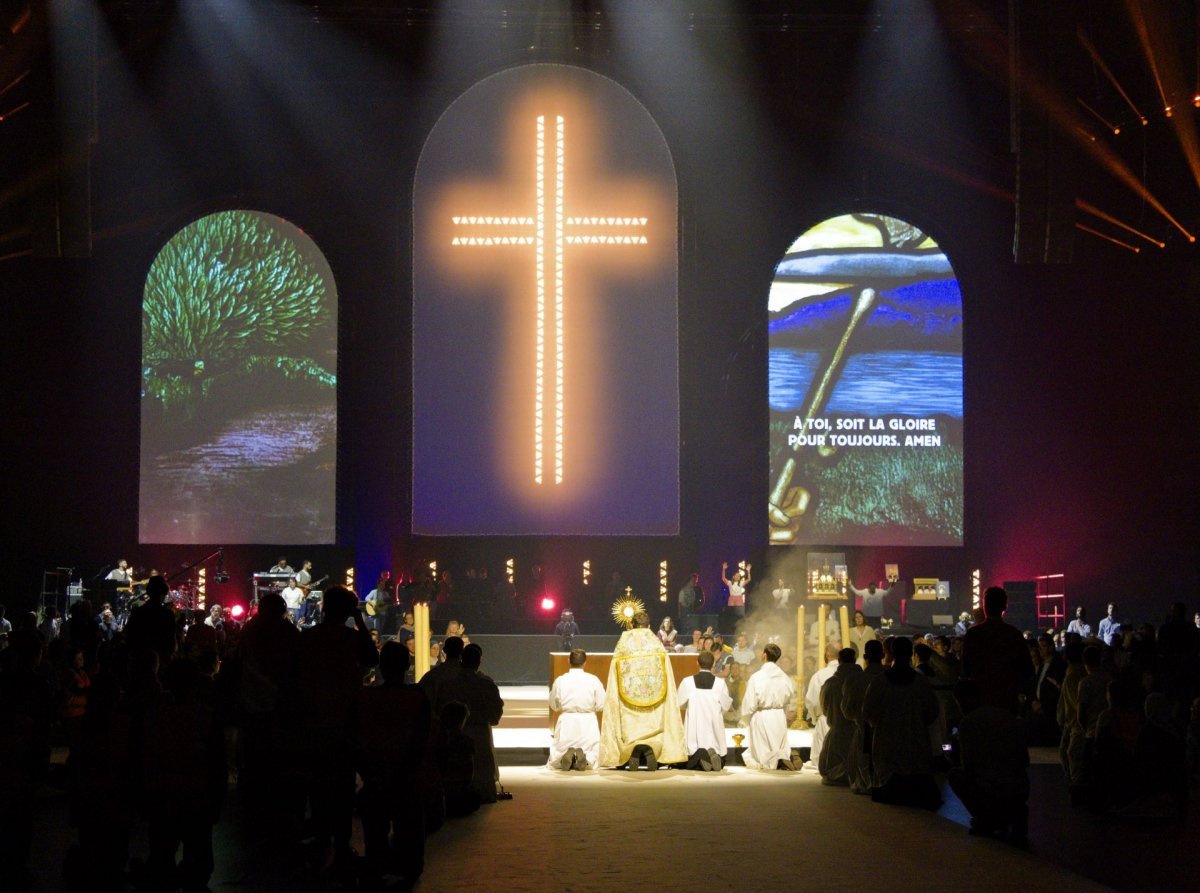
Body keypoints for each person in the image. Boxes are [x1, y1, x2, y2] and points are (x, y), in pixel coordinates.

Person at [295, 585, 378, 872]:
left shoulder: (309, 638)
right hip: (344, 721)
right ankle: (342, 844)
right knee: (343, 786)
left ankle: (322, 838)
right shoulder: (351, 638)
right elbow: (372, 659)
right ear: (347, 611)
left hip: (314, 721)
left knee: (318, 784)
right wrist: (360, 620)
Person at [358, 641, 431, 887]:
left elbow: (358, 738)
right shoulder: (417, 698)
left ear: (380, 666)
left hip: (376, 773)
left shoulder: (367, 698)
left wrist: (368, 771)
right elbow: (422, 737)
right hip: (406, 774)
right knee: (409, 826)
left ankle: (377, 865)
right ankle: (409, 867)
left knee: (375, 830)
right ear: (407, 665)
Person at [599, 611, 687, 770]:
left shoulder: (623, 645)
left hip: (628, 700)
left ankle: (632, 752)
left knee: (631, 725)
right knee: (653, 725)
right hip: (654, 699)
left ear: (631, 625)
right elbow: (667, 675)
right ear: (649, 626)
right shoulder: (656, 645)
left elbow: (614, 676)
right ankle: (651, 749)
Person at [862, 636, 941, 809]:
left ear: (890, 653)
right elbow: (932, 711)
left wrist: (883, 724)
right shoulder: (920, 682)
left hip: (887, 738)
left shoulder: (880, 682)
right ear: (911, 654)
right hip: (915, 738)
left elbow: (868, 712)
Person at [948, 679, 1029, 845]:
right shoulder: (1006, 715)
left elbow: (968, 767)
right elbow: (1024, 759)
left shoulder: (969, 723)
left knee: (955, 776)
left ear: (961, 701)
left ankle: (986, 819)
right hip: (1020, 788)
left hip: (993, 790)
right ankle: (1012, 815)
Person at [438, 643, 504, 802]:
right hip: (480, 731)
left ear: (461, 660)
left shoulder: (448, 684)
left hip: (454, 733)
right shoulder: (486, 684)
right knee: (481, 766)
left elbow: (439, 708)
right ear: (479, 662)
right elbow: (496, 710)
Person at [962, 586, 1031, 714]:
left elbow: (966, 669)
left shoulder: (973, 635)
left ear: (985, 607)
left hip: (980, 702)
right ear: (1005, 607)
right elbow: (1026, 670)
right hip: (1007, 702)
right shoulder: (1013, 634)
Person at [740, 643, 798, 770]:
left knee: (762, 753)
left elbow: (750, 703)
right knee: (778, 744)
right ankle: (783, 758)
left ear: (764, 655)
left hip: (762, 715)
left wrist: (745, 719)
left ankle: (774, 761)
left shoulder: (756, 677)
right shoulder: (784, 677)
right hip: (778, 715)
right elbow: (789, 695)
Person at [547, 648, 606, 771]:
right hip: (588, 722)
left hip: (567, 722)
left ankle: (564, 757)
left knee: (559, 750)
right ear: (585, 662)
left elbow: (553, 705)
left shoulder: (560, 680)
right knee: (592, 751)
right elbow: (601, 704)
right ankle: (585, 758)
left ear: (569, 661)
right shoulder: (593, 680)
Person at [842, 638, 886, 794]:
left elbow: (847, 710)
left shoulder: (855, 679)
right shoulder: (890, 677)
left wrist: (860, 720)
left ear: (865, 658)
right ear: (883, 655)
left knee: (864, 760)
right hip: (889, 732)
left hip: (863, 729)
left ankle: (867, 783)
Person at [677, 649, 732, 771]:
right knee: (718, 754)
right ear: (713, 664)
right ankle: (713, 755)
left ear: (697, 663)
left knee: (687, 762)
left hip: (694, 726)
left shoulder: (688, 681)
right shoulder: (720, 683)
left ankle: (702, 757)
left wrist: (689, 706)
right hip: (713, 725)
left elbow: (679, 703)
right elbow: (726, 705)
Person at [818, 648, 861, 785]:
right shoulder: (863, 680)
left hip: (838, 729)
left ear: (839, 661)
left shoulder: (831, 683)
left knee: (832, 766)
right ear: (854, 660)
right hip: (858, 731)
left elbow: (824, 709)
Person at [804, 643, 840, 769]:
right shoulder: (852, 675)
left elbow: (812, 701)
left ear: (827, 654)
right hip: (847, 722)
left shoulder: (819, 675)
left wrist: (815, 718)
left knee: (823, 760)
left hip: (825, 719)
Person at [720, 561, 750, 628]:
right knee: (731, 613)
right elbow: (723, 578)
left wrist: (748, 571)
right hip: (732, 598)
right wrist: (724, 569)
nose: (738, 577)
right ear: (733, 577)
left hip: (739, 598)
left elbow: (749, 579)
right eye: (736, 575)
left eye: (739, 576)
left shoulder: (741, 583)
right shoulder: (730, 583)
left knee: (740, 613)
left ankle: (741, 626)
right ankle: (730, 626)